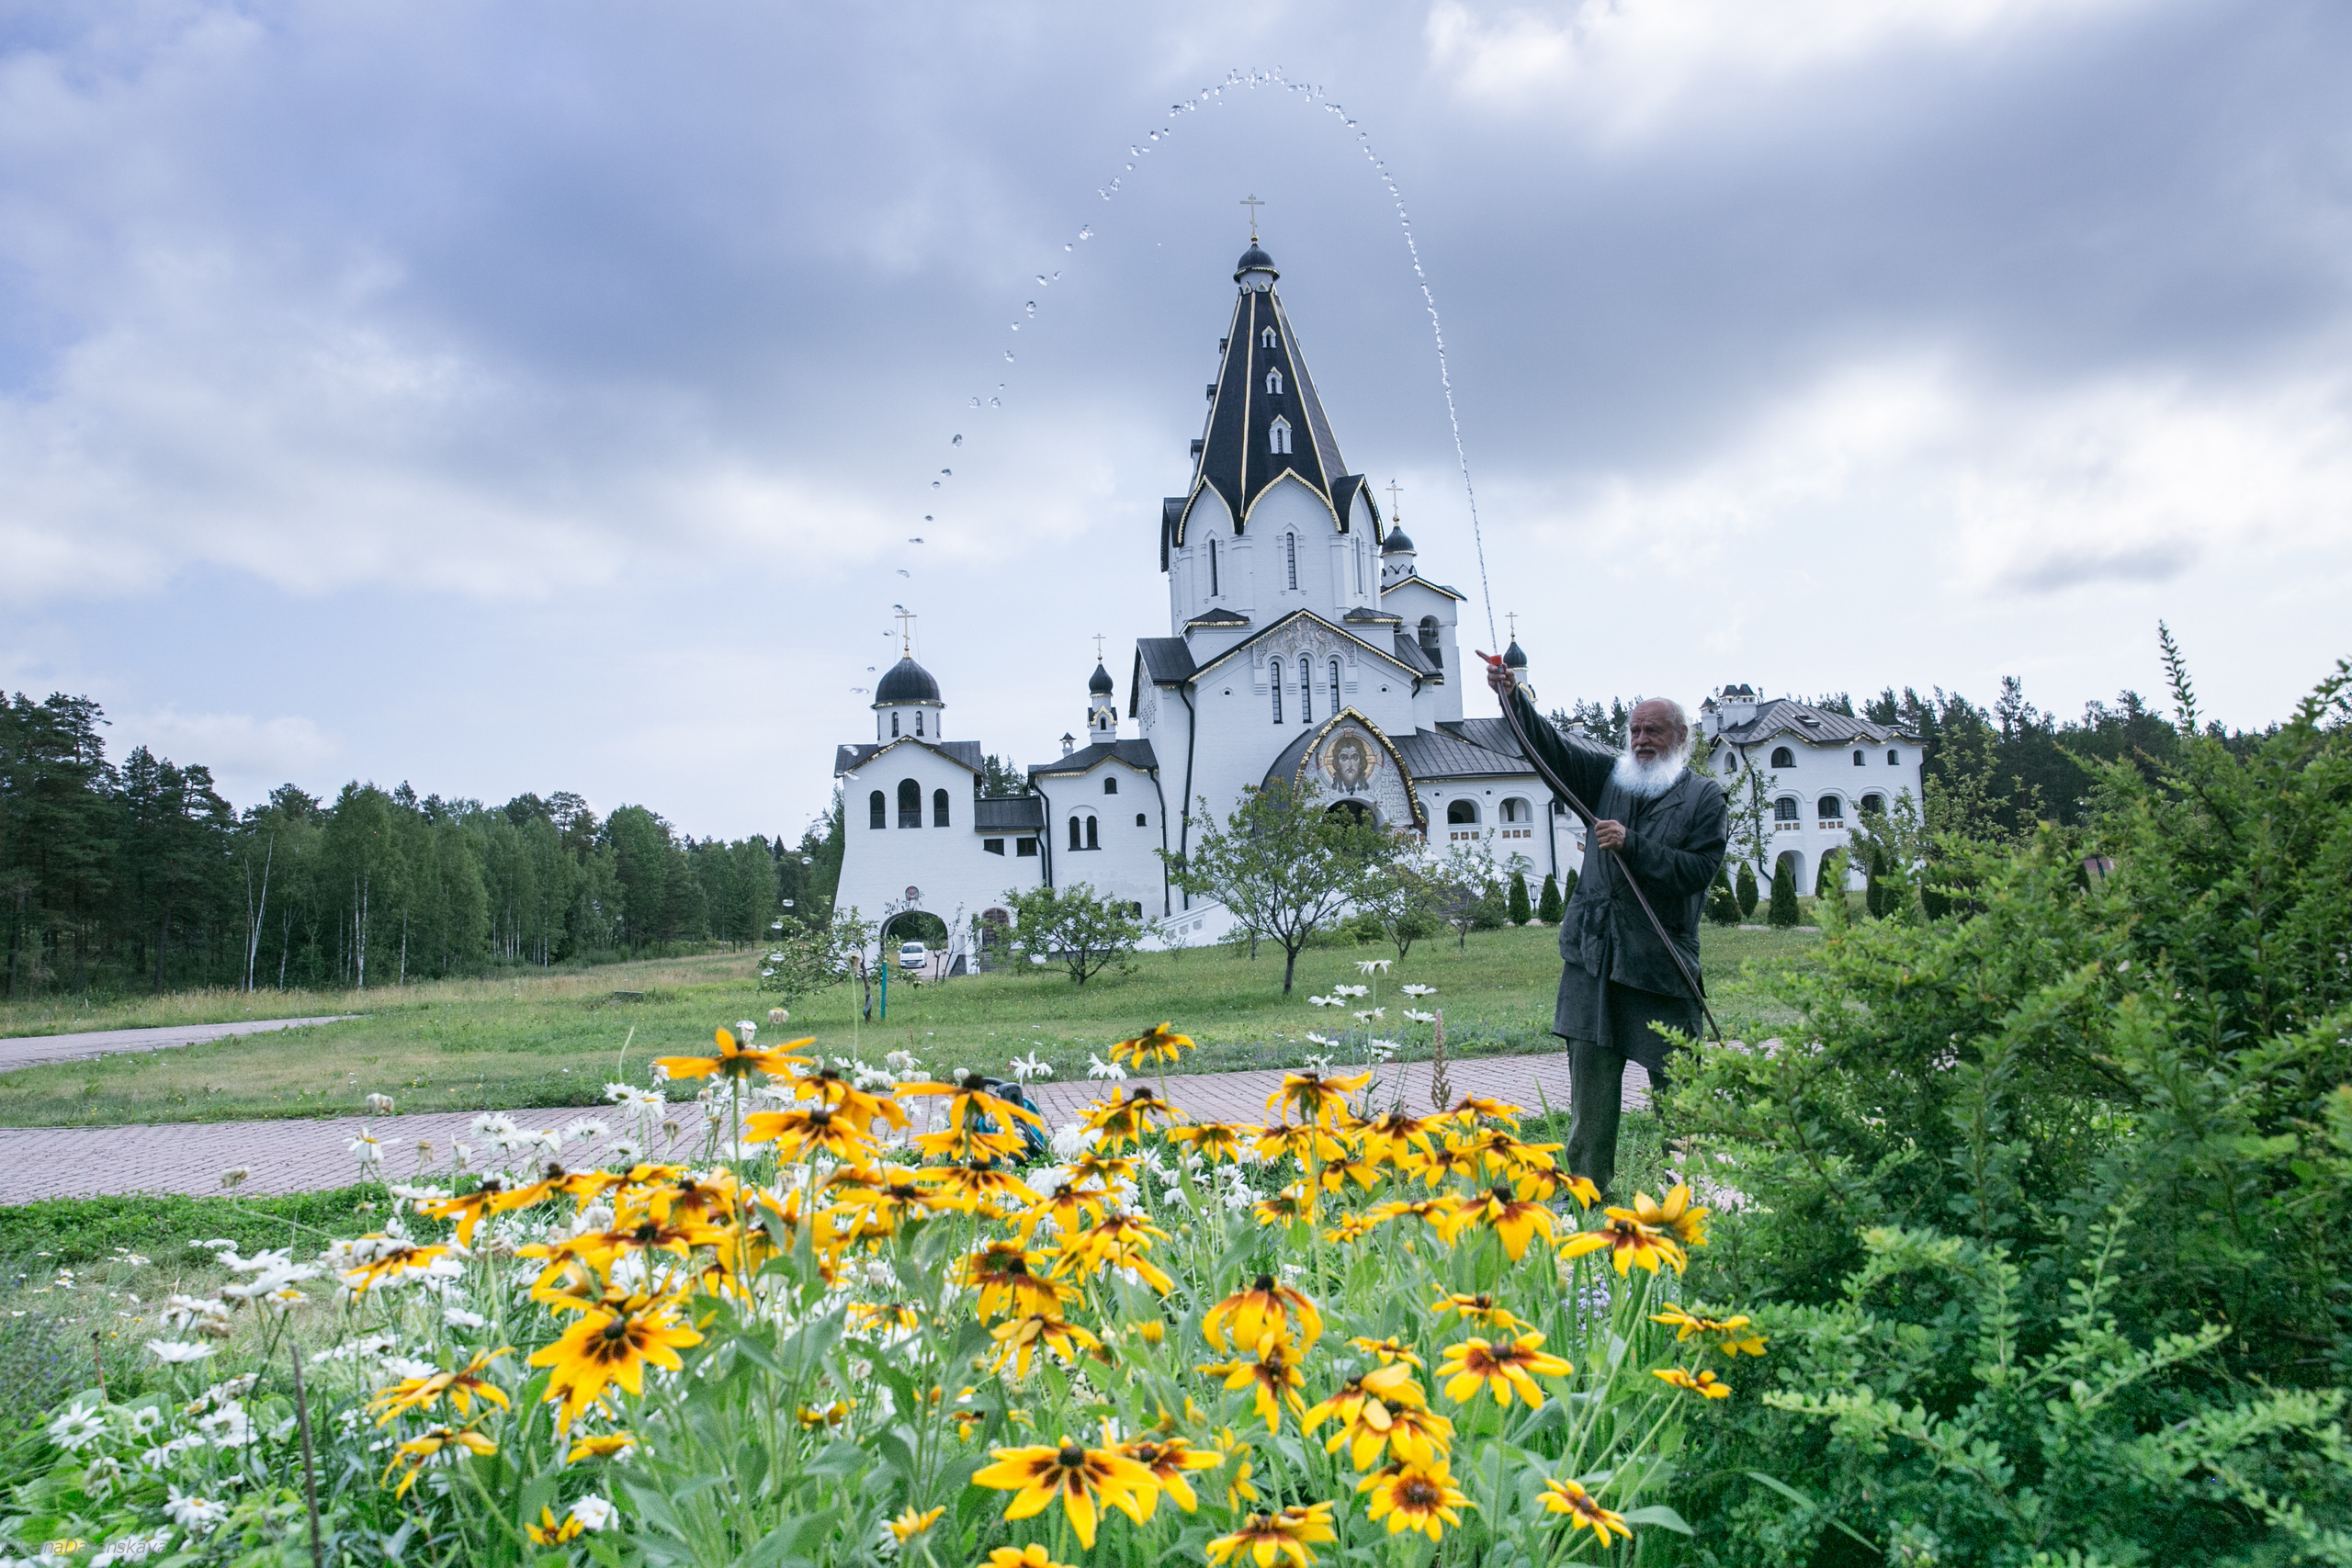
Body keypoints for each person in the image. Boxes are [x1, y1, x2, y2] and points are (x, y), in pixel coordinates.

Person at [1486, 660, 1726, 1195]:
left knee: (1680, 1094)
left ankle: (1688, 1196)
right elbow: (1550, 749)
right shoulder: (1605, 778)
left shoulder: (1704, 798)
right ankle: (1588, 1198)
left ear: (1681, 738)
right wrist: (1512, 696)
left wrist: (1633, 845)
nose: (1641, 740)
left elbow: (1698, 873)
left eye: (1653, 731)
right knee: (1589, 1102)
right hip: (1592, 961)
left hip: (1660, 966)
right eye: (1635, 730)